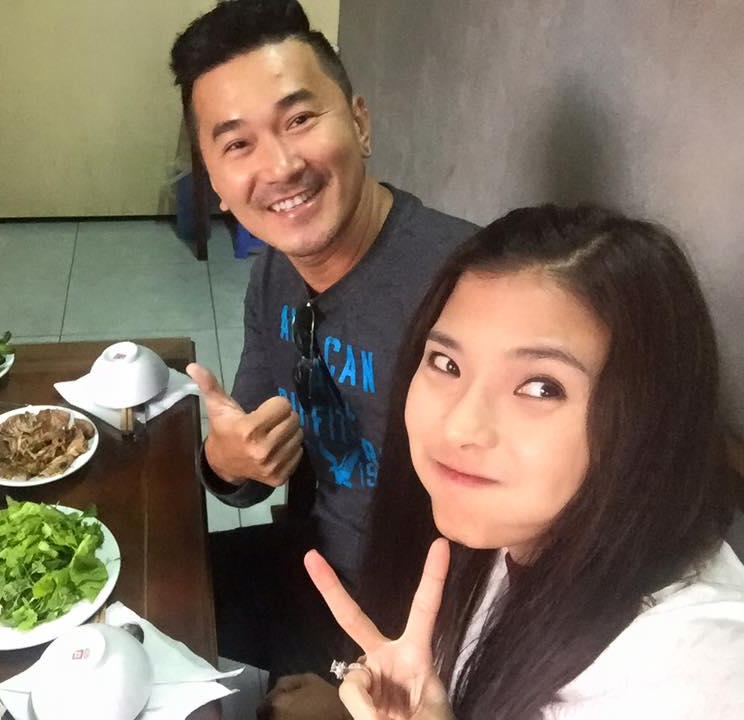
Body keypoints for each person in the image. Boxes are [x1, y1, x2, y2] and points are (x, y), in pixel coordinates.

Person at [302, 204, 744, 718]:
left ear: (648, 416)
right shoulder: (509, 537)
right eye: (446, 363)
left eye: (541, 387)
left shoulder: (699, 673)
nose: (459, 427)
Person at [169, 0, 477, 686]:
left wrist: (362, 683)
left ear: (360, 123)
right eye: (238, 144)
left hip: (424, 626)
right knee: (143, 598)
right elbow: (253, 458)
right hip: (314, 564)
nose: (280, 165)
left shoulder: (468, 284)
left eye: (299, 120)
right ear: (214, 183)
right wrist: (224, 460)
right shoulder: (274, 272)